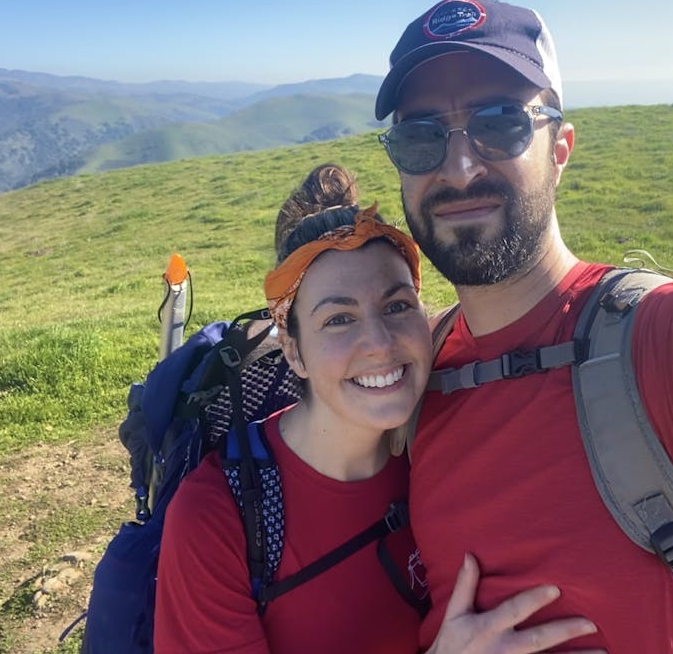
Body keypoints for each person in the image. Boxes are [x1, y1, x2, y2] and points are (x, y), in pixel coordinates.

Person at [373, 0, 673, 654]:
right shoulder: (409, 377)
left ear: (560, 146)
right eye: (422, 135)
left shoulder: (670, 342)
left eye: (501, 123)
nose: (458, 168)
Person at [153, 163, 605, 654]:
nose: (379, 343)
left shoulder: (448, 446)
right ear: (294, 350)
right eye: (339, 319)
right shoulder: (217, 517)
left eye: (396, 306)